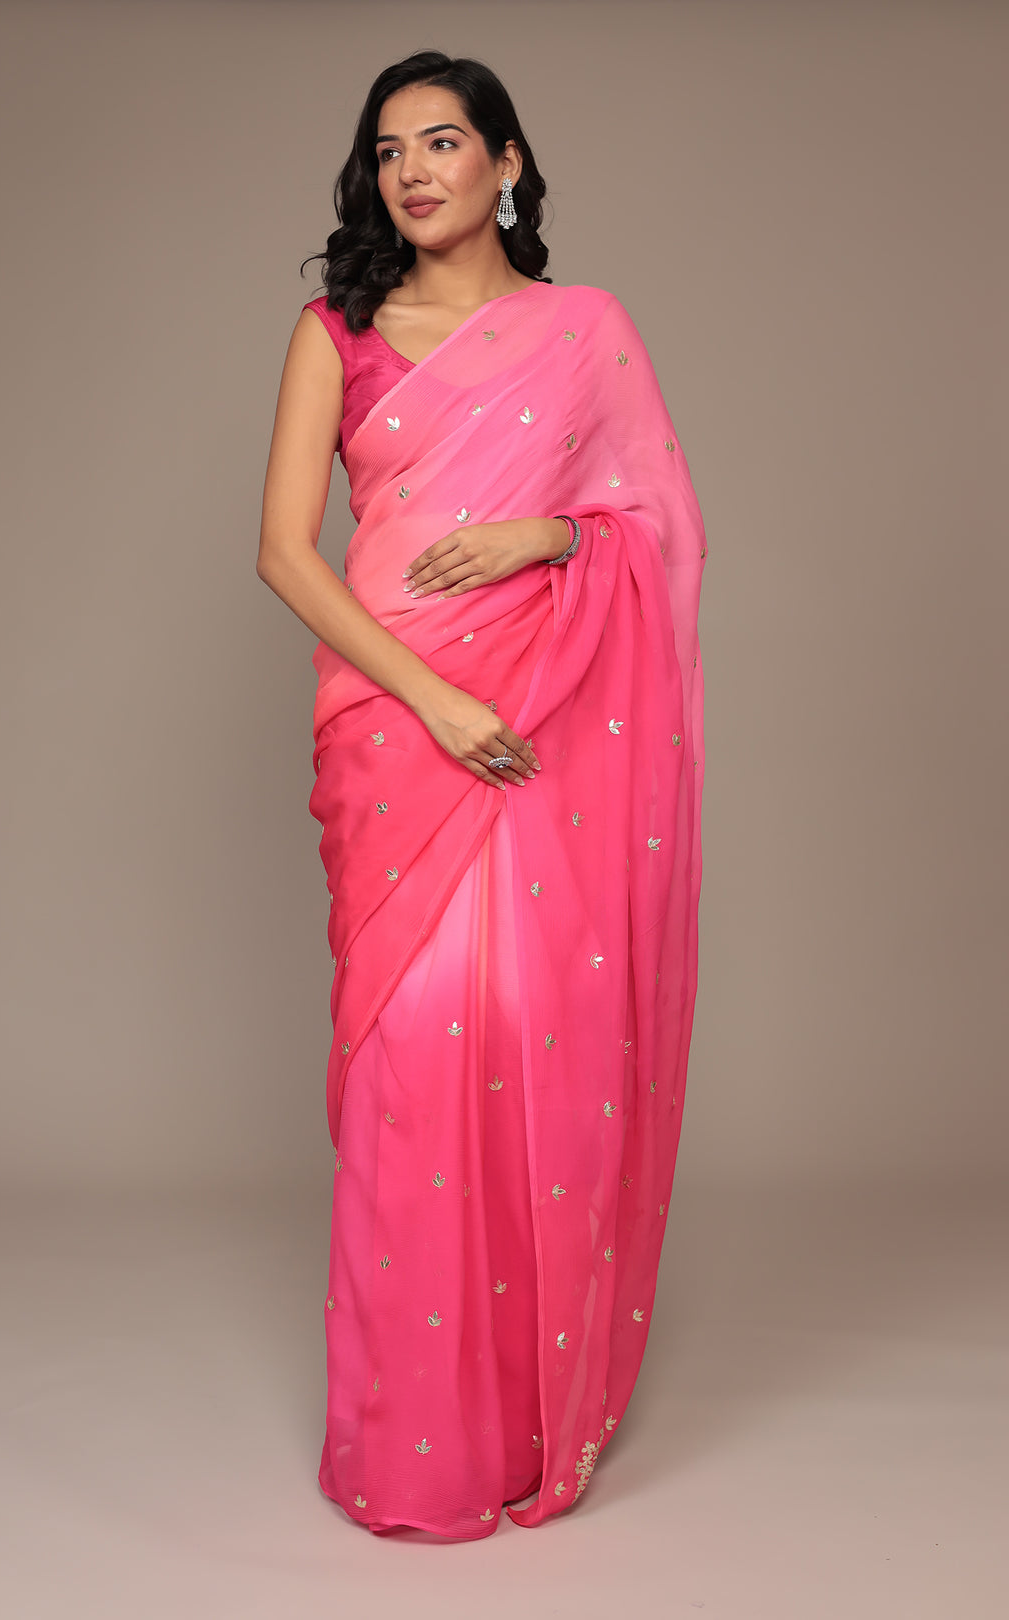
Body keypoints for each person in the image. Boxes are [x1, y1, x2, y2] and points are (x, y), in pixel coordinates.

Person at [257, 50, 708, 1540]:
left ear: (506, 163)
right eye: (389, 150)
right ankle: (413, 1442)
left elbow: (659, 523)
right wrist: (433, 699)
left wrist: (550, 539)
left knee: (527, 1039)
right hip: (401, 724)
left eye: (443, 142)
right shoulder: (338, 332)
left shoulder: (585, 332)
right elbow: (283, 550)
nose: (413, 171)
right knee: (414, 1055)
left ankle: (524, 1417)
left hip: (549, 712)